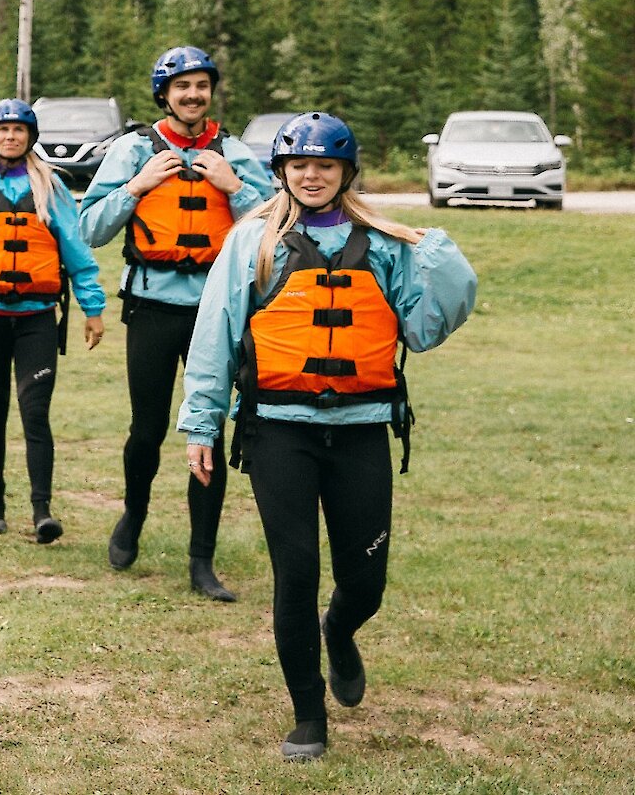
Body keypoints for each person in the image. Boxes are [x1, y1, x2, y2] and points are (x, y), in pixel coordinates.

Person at [181, 112, 474, 762]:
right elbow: (215, 337)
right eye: (299, 165)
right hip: (279, 432)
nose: (311, 175)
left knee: (364, 580)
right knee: (296, 572)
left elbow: (424, 329)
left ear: (346, 171)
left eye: (325, 165)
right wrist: (201, 422)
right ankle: (308, 713)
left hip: (362, 430)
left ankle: (339, 631)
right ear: (282, 171)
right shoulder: (253, 240)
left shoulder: (386, 244)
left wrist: (439, 255)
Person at [79, 45, 273, 601]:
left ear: (212, 92)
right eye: (181, 86)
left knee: (208, 426)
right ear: (163, 94)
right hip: (151, 308)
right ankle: (132, 517)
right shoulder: (132, 150)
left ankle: (201, 560)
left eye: (202, 86)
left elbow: (270, 233)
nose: (192, 95)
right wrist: (135, 187)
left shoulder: (233, 152)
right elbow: (90, 227)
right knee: (148, 427)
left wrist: (235, 188)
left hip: (218, 311)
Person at [0, 99, 106, 542]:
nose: (10, 137)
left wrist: (93, 308)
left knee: (36, 414)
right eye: (2, 130)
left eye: (18, 130)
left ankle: (41, 512)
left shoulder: (51, 189)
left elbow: (76, 252)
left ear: (30, 137)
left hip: (36, 320)